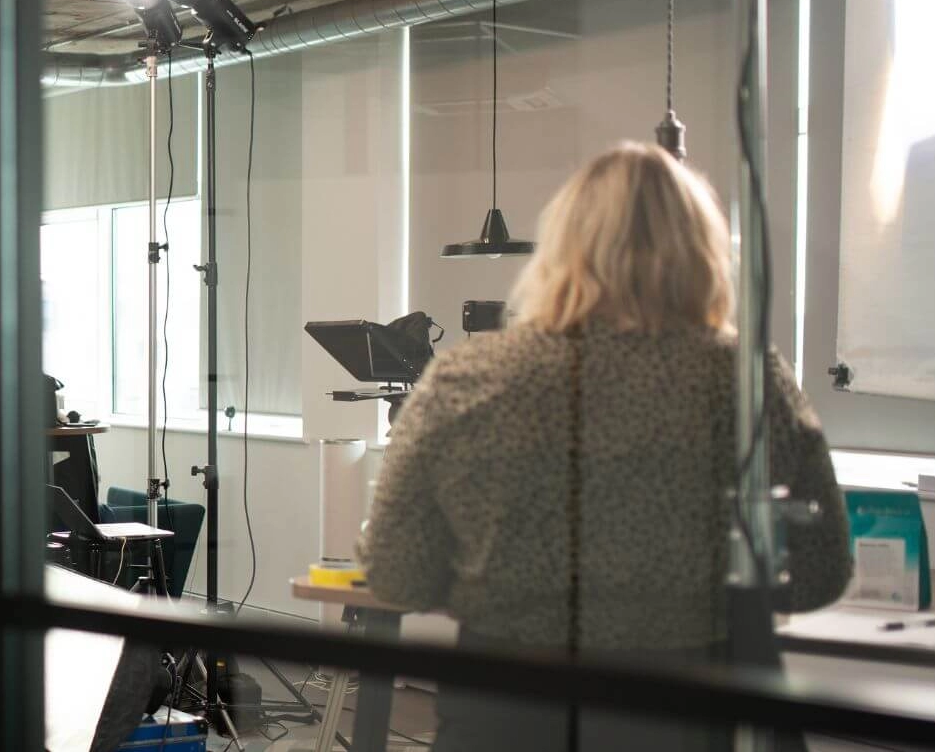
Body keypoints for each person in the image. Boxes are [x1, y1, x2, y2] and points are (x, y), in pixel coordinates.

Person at [359, 143, 851, 752]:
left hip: (503, 716)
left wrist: (494, 586)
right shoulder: (745, 381)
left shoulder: (468, 377)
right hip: (688, 717)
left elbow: (396, 573)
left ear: (559, 252)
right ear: (705, 255)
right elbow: (821, 574)